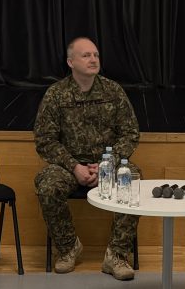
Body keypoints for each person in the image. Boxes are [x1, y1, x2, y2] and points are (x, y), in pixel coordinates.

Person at [34, 37, 140, 280]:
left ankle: (117, 255)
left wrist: (108, 163)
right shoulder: (56, 95)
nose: (93, 59)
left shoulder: (113, 91)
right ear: (71, 62)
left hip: (108, 163)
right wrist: (74, 167)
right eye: (86, 55)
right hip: (70, 166)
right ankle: (68, 246)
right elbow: (45, 140)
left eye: (96, 55)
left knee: (133, 179)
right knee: (47, 185)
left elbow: (130, 133)